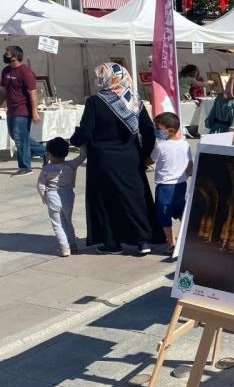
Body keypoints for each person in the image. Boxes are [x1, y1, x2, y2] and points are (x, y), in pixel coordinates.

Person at [70, 62, 165, 254]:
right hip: (131, 157)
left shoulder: (95, 102)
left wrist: (72, 140)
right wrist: (145, 155)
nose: (98, 80)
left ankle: (112, 243)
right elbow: (148, 130)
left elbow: (86, 131)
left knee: (107, 200)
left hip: (103, 159)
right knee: (135, 198)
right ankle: (142, 240)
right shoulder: (134, 101)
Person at [147, 112, 193, 257]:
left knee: (164, 213)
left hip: (165, 185)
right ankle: (188, 236)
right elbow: (190, 164)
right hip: (181, 183)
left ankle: (172, 243)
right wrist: (186, 174)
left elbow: (150, 160)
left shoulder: (161, 147)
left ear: (170, 130)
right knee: (180, 211)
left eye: (159, 128)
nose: (157, 131)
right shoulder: (185, 144)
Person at [0, 45, 47, 176]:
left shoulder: (26, 72)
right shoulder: (5, 71)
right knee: (17, 136)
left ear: (14, 57)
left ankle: (25, 167)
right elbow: (3, 92)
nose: (4, 56)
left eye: (7, 53)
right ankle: (45, 153)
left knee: (20, 139)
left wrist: (35, 112)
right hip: (11, 110)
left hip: (23, 110)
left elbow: (33, 93)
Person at [37, 138, 87, 256]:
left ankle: (64, 247)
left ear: (50, 154)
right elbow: (83, 156)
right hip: (69, 195)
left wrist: (44, 196)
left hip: (53, 195)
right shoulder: (71, 165)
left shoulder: (46, 168)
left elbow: (40, 184)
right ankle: (73, 245)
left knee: (57, 224)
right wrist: (81, 143)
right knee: (67, 221)